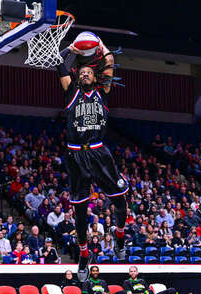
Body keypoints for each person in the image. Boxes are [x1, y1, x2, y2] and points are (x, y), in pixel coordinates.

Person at [57, 38, 129, 281]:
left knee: (120, 199)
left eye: (90, 72)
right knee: (79, 210)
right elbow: (59, 62)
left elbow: (109, 61)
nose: (86, 74)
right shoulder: (71, 92)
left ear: (96, 77)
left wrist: (100, 44)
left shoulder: (103, 92)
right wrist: (72, 49)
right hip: (75, 153)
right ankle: (84, 254)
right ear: (78, 77)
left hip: (99, 152)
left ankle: (120, 236)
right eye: (83, 72)